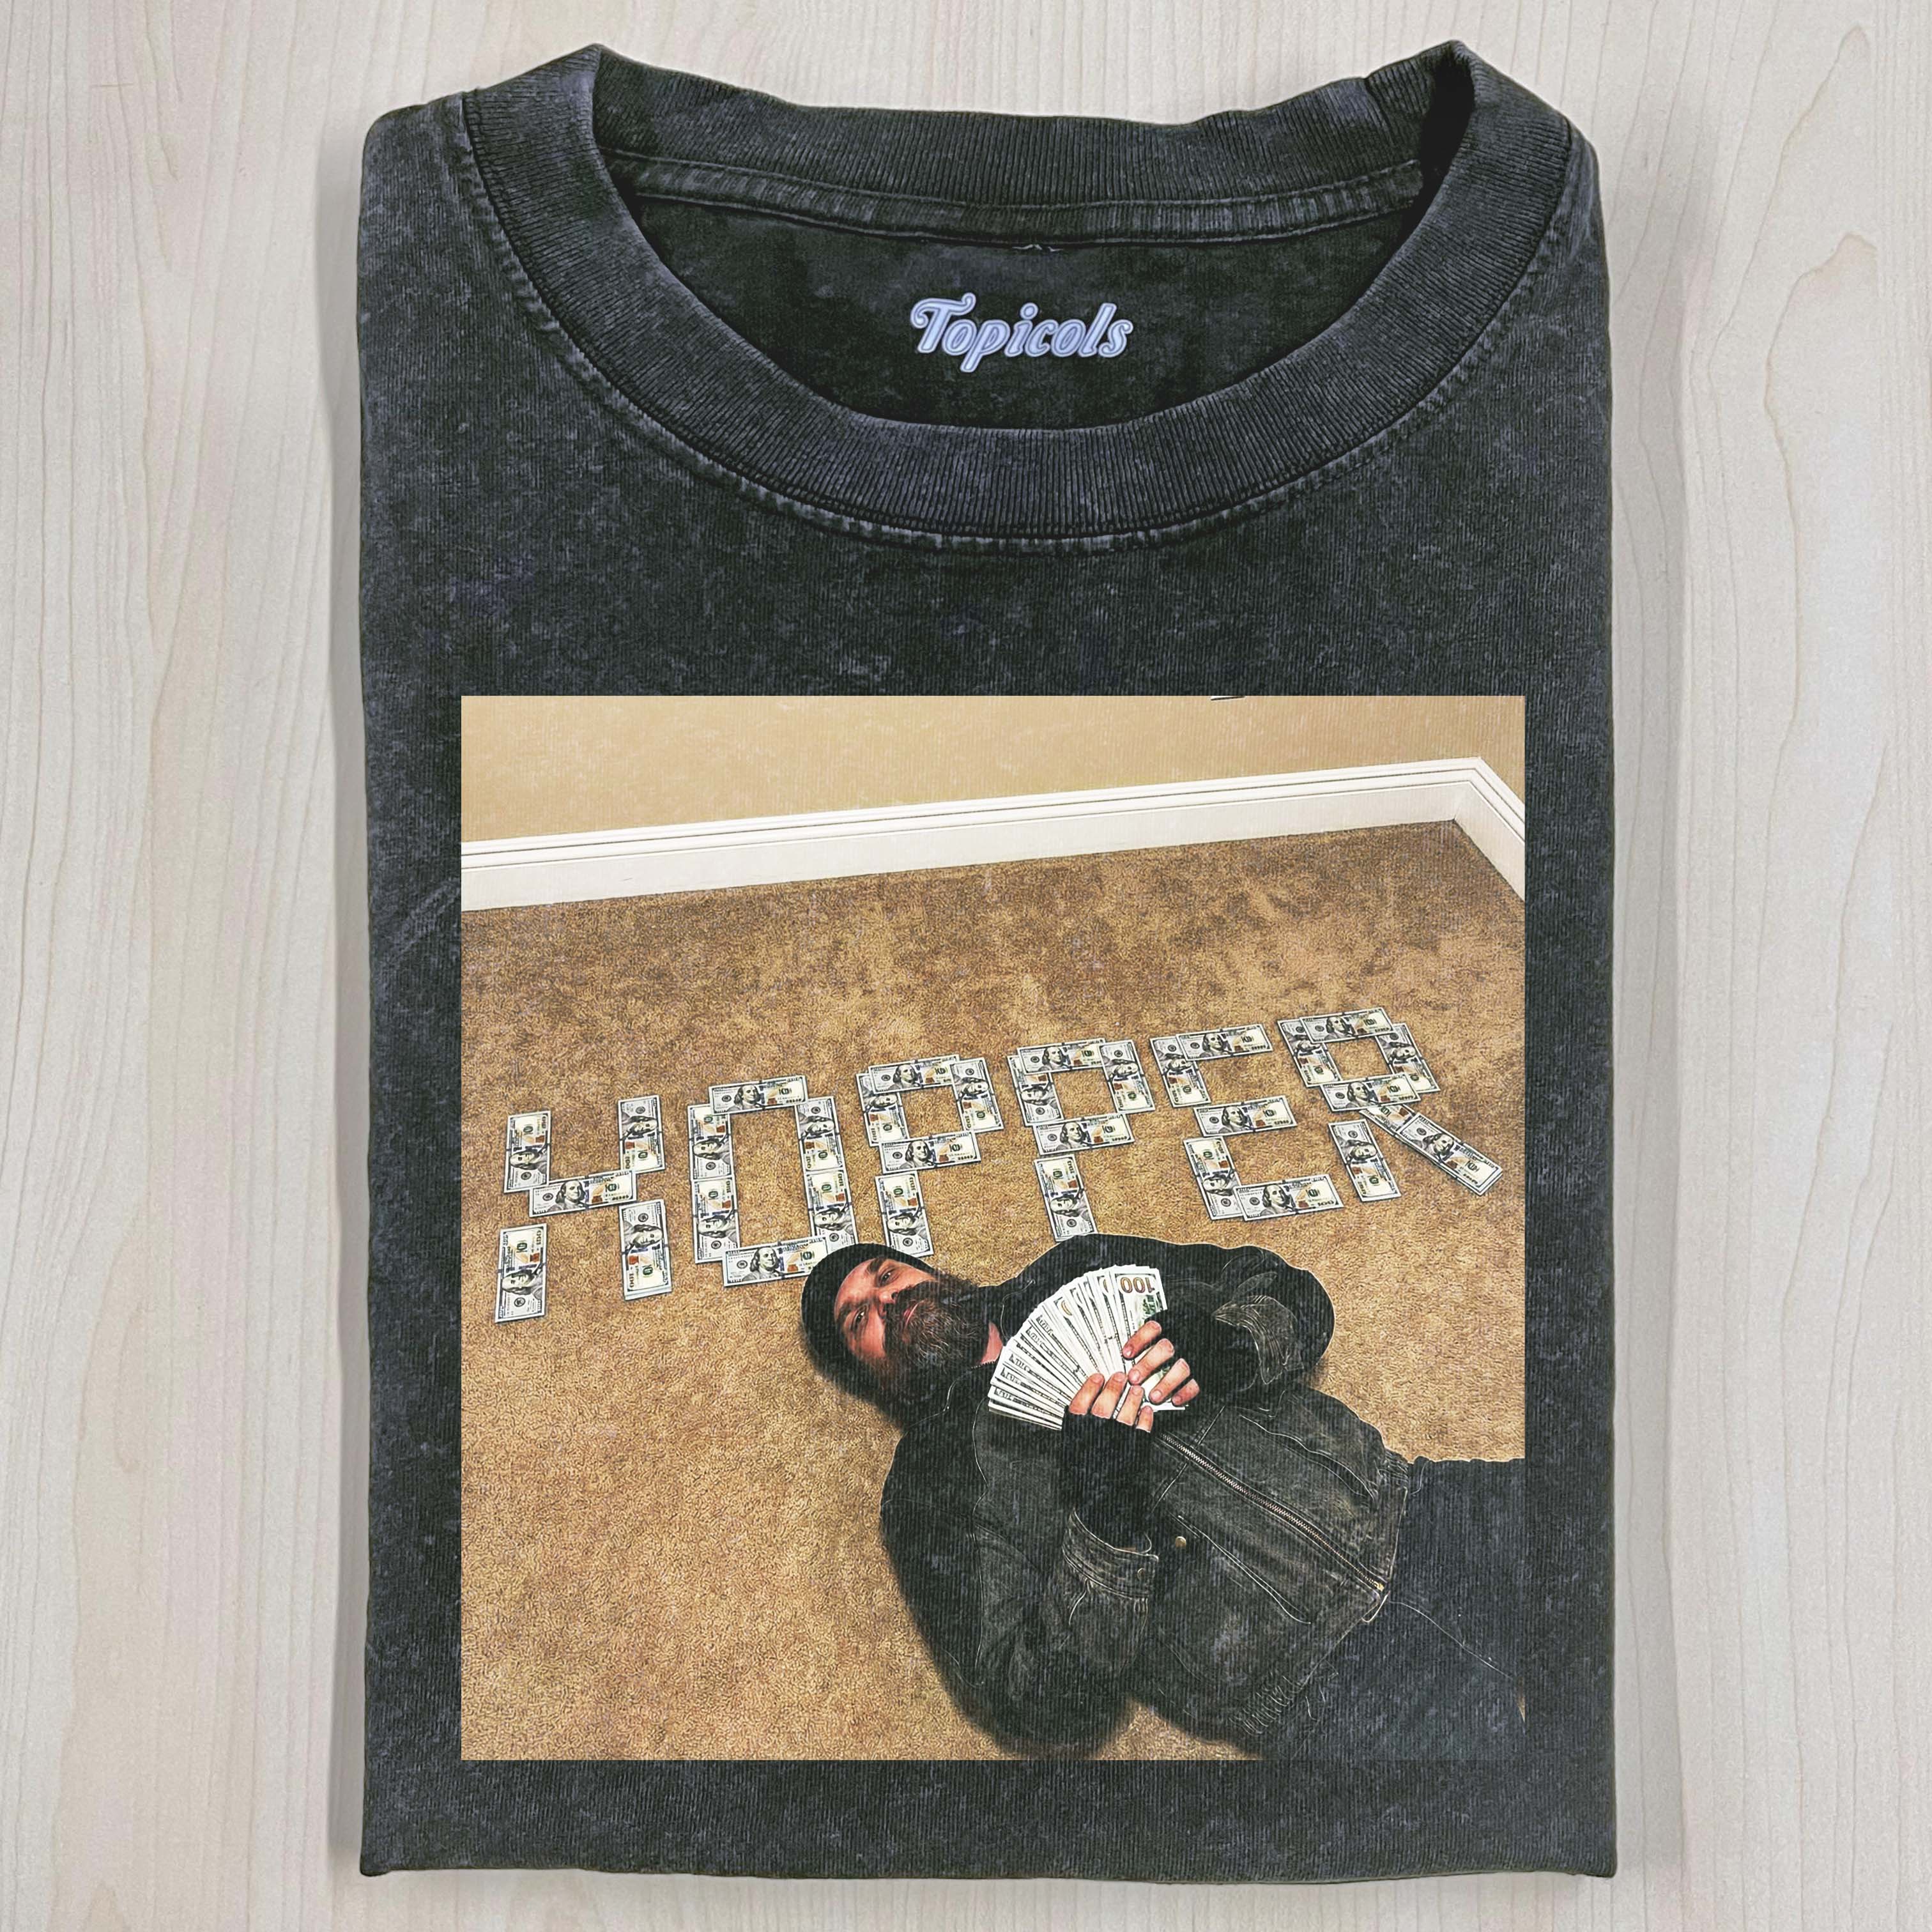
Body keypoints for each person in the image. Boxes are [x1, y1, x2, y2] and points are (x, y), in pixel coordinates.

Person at [800, 1234, 1524, 1759]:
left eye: (886, 1274)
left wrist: (1230, 1345)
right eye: (859, 1318)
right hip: (1320, 1687)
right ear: (865, 1373)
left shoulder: (1078, 1268)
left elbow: (1291, 1292)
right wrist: (1103, 1521)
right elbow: (1031, 1701)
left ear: (928, 1269)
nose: (888, 1300)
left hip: (1421, 1507)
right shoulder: (929, 1486)